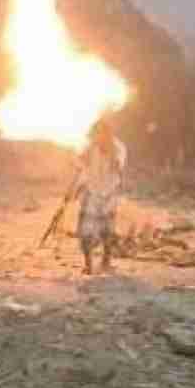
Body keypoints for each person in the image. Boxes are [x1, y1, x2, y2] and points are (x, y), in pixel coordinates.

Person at [71, 117, 127, 275]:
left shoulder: (118, 147)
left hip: (109, 193)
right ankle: (88, 264)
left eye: (101, 133)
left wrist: (111, 155)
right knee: (85, 231)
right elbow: (81, 167)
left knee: (106, 230)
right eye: (96, 133)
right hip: (91, 192)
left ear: (108, 133)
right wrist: (79, 182)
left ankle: (106, 260)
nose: (98, 136)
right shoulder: (89, 147)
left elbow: (119, 167)